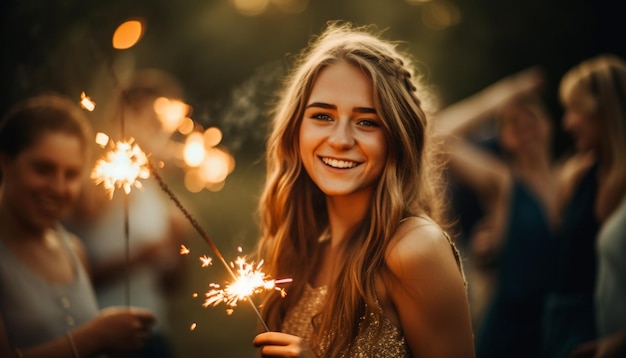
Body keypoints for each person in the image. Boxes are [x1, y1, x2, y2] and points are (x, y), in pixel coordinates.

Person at [251, 22, 475, 357]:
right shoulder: (301, 248)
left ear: (397, 139)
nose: (340, 140)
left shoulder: (414, 249)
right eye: (322, 116)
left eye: (367, 122)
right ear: (295, 130)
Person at [0, 94, 156, 358]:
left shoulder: (74, 249)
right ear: (5, 162)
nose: (59, 188)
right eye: (43, 169)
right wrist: (96, 337)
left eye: (71, 174)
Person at [434, 68, 558, 358]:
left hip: (560, 331)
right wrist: (501, 94)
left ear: (549, 121)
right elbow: (435, 135)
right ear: (502, 137)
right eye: (511, 122)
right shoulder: (502, 182)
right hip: (509, 333)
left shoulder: (572, 178)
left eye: (530, 114)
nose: (523, 124)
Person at [65, 70, 189, 358]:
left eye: (164, 125)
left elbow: (171, 286)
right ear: (122, 118)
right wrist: (142, 255)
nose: (159, 133)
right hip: (101, 339)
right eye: (150, 121)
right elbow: (73, 276)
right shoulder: (98, 181)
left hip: (154, 334)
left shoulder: (156, 191)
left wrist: (178, 248)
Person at [543, 54, 626, 358]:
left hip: (601, 333)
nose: (567, 123)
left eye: (574, 110)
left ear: (602, 110)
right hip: (563, 324)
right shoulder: (578, 175)